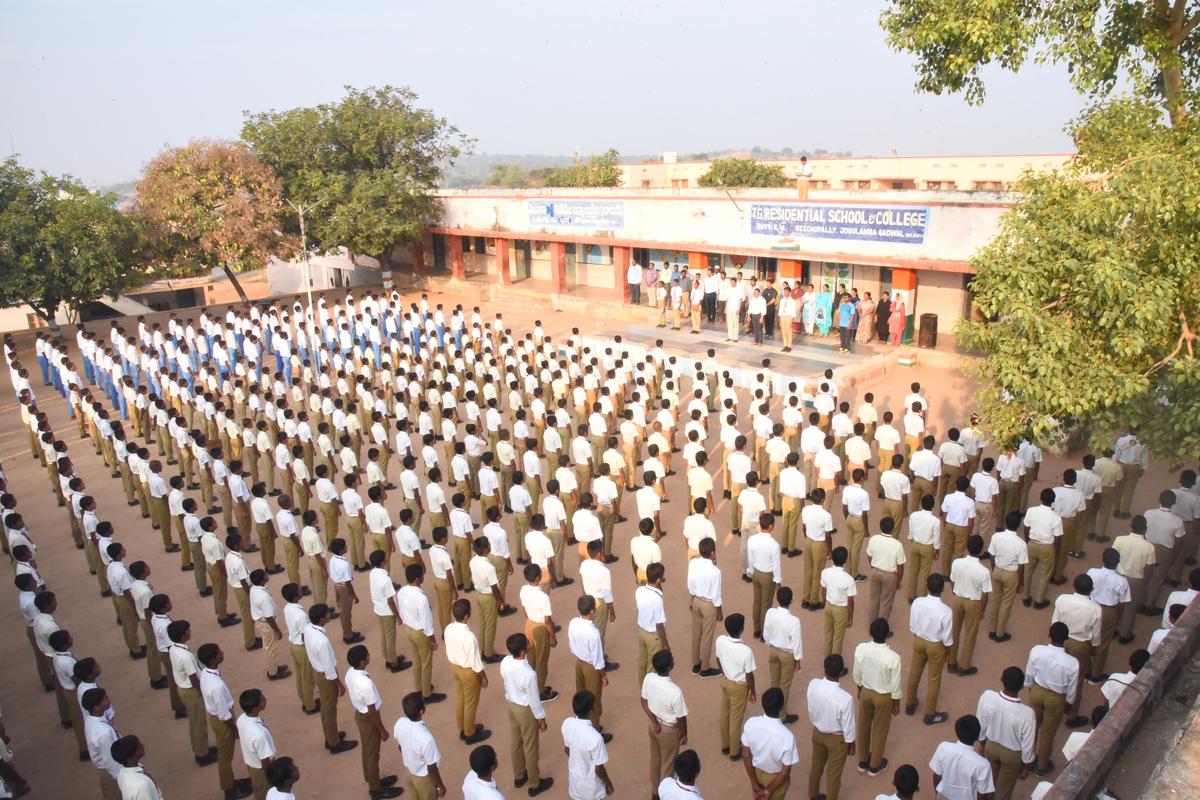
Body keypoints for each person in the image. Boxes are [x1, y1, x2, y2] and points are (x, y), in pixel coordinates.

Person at [344, 645, 403, 799]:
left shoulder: (350, 673)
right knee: (372, 754)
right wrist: (382, 730)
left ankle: (372, 779)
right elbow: (372, 711)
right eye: (367, 655)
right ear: (363, 662)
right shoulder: (366, 684)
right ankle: (375, 789)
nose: (369, 656)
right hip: (369, 719)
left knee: (366, 750)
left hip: (360, 715)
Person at [500, 632, 553, 796]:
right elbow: (534, 700)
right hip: (525, 709)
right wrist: (541, 718)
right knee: (530, 746)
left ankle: (519, 775)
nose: (530, 643)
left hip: (512, 705)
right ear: (523, 652)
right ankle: (534, 783)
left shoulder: (505, 662)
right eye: (527, 643)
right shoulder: (529, 674)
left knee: (516, 741)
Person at [1025, 622, 1079, 774]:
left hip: (1037, 691)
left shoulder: (1037, 650)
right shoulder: (1072, 663)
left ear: (1049, 634)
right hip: (1056, 698)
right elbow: (1072, 689)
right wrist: (1068, 704)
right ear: (1066, 639)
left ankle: (1027, 761)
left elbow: (1029, 673)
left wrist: (1031, 688)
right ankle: (1042, 767)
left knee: (1031, 729)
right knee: (1047, 734)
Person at [976, 667, 1036, 800]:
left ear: (1001, 679)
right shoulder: (1027, 713)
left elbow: (981, 721)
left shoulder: (987, 697)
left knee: (987, 784)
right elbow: (1028, 743)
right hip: (1012, 755)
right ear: (1021, 686)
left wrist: (981, 742)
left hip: (991, 746)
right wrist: (1026, 765)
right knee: (1003, 792)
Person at [853, 618, 903, 777]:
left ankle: (862, 761)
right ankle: (875, 765)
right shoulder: (893, 657)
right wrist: (896, 702)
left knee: (863, 725)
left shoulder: (861, 649)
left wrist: (859, 688)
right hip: (884, 696)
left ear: (870, 632)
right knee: (880, 729)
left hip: (866, 690)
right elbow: (895, 684)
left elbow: (857, 673)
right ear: (887, 635)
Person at [1050, 574, 1101, 726]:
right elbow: (1096, 635)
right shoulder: (1095, 609)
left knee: (1058, 674)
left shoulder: (1063, 599)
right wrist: (1093, 650)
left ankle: (1057, 706)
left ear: (1073, 585)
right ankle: (1072, 716)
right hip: (1081, 645)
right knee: (1076, 681)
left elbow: (1054, 622)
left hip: (1061, 640)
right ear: (1091, 590)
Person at [906, 574, 954, 725]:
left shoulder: (918, 602)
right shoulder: (946, 611)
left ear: (927, 586)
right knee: (934, 679)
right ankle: (930, 713)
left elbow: (913, 626)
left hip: (919, 641)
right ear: (942, 589)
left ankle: (910, 703)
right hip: (936, 646)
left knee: (914, 673)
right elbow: (947, 639)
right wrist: (948, 655)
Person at [807, 654, 856, 800]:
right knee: (833, 775)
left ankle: (813, 796)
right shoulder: (845, 699)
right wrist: (851, 744)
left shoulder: (813, 684)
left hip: (818, 732)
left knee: (816, 768)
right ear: (841, 672)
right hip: (837, 739)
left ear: (825, 668)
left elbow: (811, 708)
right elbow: (848, 726)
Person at [445, 599, 491, 745]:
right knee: (471, 703)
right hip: (468, 672)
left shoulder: (449, 628)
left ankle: (463, 728)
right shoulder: (469, 637)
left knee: (461, 699)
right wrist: (483, 678)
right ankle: (470, 734)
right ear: (467, 616)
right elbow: (476, 662)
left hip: (455, 667)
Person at [740, 687, 799, 800]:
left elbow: (746, 754)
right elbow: (785, 772)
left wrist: (753, 782)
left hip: (755, 772)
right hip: (775, 779)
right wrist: (768, 791)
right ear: (781, 707)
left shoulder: (751, 723)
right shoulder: (787, 737)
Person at [715, 613, 757, 760]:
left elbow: (718, 659)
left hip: (725, 680)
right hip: (739, 686)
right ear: (741, 629)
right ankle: (734, 751)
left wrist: (724, 673)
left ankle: (725, 746)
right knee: (735, 719)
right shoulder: (746, 650)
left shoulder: (720, 640)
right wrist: (752, 691)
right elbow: (749, 675)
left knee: (724, 713)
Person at [947, 535, 991, 676]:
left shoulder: (957, 563)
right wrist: (982, 610)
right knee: (970, 634)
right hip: (973, 602)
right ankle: (964, 666)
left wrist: (955, 592)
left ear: (967, 546)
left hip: (958, 598)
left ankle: (951, 662)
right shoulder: (983, 571)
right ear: (981, 550)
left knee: (954, 631)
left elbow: (952, 581)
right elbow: (985, 594)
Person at [393, 692, 448, 800]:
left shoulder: (400, 723)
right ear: (422, 711)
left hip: (410, 773)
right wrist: (441, 786)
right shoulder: (426, 739)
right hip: (424, 779)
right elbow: (431, 767)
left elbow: (400, 747)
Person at [561, 690, 614, 800]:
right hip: (591, 789)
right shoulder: (596, 738)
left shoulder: (567, 723)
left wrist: (578, 761)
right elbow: (599, 769)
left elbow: (567, 749)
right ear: (592, 709)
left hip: (575, 783)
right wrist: (609, 784)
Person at [928, 715, 995, 800]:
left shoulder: (943, 747)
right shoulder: (983, 765)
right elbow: (982, 794)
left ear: (957, 731)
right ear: (977, 737)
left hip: (943, 796)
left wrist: (938, 794)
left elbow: (937, 775)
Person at [763, 586, 803, 723]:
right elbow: (796, 642)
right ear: (791, 600)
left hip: (773, 650)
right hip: (787, 654)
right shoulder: (794, 621)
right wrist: (797, 659)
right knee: (784, 685)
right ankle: (782, 715)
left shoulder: (770, 612)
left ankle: (771, 712)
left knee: (774, 682)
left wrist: (769, 643)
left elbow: (766, 631)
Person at [235, 689, 276, 800]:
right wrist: (270, 775)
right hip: (261, 768)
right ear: (255, 708)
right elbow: (265, 759)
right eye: (262, 700)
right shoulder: (259, 734)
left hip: (251, 763)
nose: (265, 699)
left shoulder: (242, 719)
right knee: (265, 793)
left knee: (259, 790)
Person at [112, 735, 165, 800]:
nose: (143, 745)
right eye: (139, 747)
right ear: (131, 757)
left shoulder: (122, 773)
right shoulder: (142, 786)